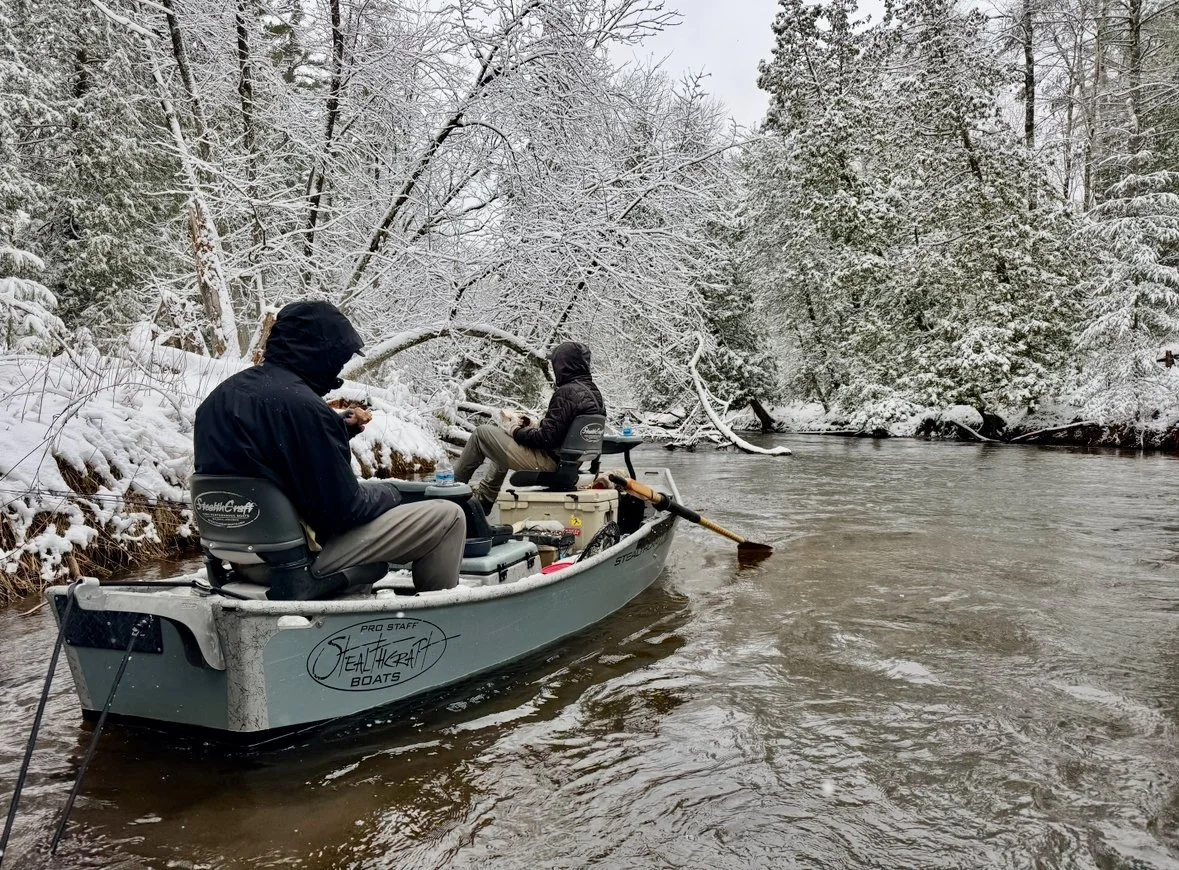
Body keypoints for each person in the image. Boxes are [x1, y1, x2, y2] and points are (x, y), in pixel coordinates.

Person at [193, 300, 465, 593]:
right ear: (319, 354)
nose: (339, 368)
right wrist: (392, 492)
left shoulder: (220, 398)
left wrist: (334, 429)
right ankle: (435, 623)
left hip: (239, 559)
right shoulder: (303, 408)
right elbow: (346, 512)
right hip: (291, 568)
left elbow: (266, 455)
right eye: (338, 358)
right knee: (448, 517)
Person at [455, 341, 605, 512]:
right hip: (569, 463)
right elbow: (560, 430)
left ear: (563, 364)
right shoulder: (593, 393)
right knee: (499, 440)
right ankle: (484, 500)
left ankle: (452, 495)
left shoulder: (567, 392)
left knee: (481, 434)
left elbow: (546, 439)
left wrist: (515, 430)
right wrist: (533, 425)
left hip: (549, 462)